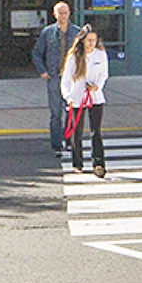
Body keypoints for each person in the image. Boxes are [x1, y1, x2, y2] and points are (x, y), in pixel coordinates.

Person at [32, 0, 82, 154]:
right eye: (60, 13)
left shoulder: (77, 32)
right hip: (53, 77)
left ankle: (69, 141)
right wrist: (43, 71)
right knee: (55, 113)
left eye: (65, 13)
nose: (63, 16)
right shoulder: (48, 32)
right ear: (54, 14)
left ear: (69, 13)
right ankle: (56, 144)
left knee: (70, 111)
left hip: (71, 79)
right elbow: (37, 52)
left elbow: (83, 54)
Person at [59, 26, 109, 177]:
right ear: (82, 41)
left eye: (94, 40)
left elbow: (104, 74)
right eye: (88, 40)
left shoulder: (100, 55)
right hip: (77, 98)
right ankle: (77, 163)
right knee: (77, 132)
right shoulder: (74, 56)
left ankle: (99, 164)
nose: (91, 43)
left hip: (95, 97)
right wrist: (68, 97)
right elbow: (66, 80)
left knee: (96, 131)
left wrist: (97, 86)